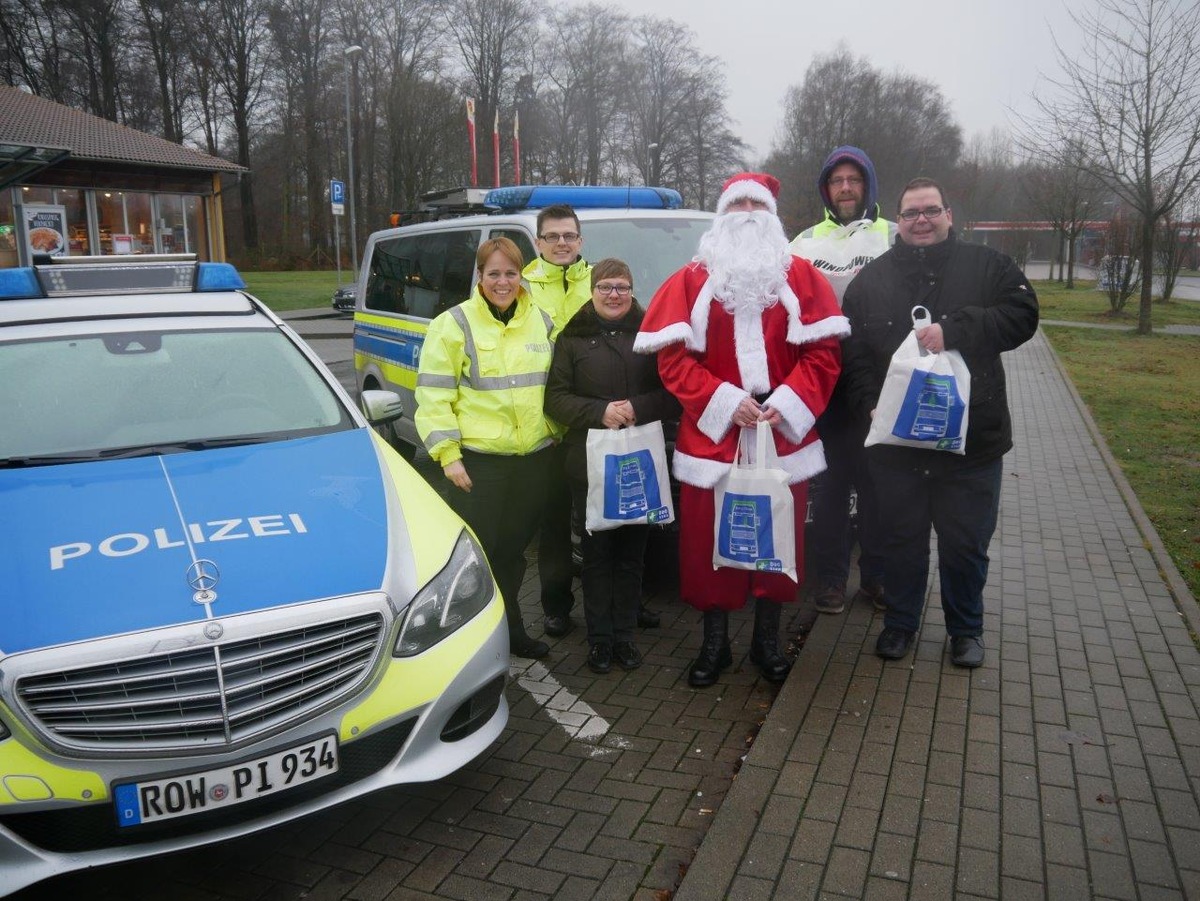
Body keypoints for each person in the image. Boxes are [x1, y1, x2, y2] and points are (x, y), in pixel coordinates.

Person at [634, 172, 846, 687]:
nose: (748, 211)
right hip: (713, 439)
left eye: (757, 203)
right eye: (738, 202)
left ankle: (766, 643)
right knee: (709, 546)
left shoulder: (799, 276)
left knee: (777, 540)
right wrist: (725, 402)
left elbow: (823, 354)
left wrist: (787, 402)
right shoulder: (689, 280)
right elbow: (673, 361)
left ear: (772, 214)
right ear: (721, 214)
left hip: (782, 435)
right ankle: (714, 645)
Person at [841, 177, 1039, 668]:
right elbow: (853, 353)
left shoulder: (989, 266)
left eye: (931, 210)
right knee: (900, 542)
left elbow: (1023, 315)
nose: (921, 220)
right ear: (898, 221)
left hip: (974, 444)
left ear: (950, 214)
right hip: (898, 448)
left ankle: (965, 630)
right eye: (910, 213)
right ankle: (900, 624)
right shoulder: (872, 280)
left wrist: (954, 330)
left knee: (965, 545)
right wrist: (869, 402)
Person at [415, 237, 558, 659]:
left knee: (512, 555)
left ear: (521, 276)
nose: (503, 281)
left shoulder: (541, 321)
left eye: (511, 273)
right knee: (477, 557)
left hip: (533, 461)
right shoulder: (453, 324)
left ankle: (510, 629)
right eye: (493, 273)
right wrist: (449, 456)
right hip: (478, 465)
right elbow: (434, 397)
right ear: (479, 276)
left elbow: (555, 387)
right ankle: (471, 641)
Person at [525, 204, 662, 635]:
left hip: (608, 431)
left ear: (580, 242)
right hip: (546, 431)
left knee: (623, 525)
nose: (562, 243)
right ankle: (557, 607)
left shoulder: (596, 279)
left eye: (569, 236)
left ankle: (628, 604)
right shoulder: (521, 286)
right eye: (553, 236)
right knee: (557, 527)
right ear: (539, 242)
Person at [545, 259, 681, 673]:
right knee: (597, 554)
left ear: (632, 290)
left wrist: (636, 408)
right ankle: (599, 640)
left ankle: (624, 637)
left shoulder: (653, 335)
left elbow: (672, 393)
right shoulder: (571, 338)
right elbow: (555, 399)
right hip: (590, 462)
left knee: (632, 554)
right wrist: (600, 411)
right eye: (605, 286)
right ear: (592, 290)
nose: (614, 294)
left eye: (621, 286)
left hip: (639, 461)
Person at [790, 146, 895, 616]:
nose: (846, 188)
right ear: (826, 189)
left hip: (880, 383)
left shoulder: (894, 236)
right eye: (838, 181)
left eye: (855, 179)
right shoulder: (804, 243)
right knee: (831, 490)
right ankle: (831, 582)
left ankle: (875, 577)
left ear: (868, 184)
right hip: (827, 382)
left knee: (878, 488)